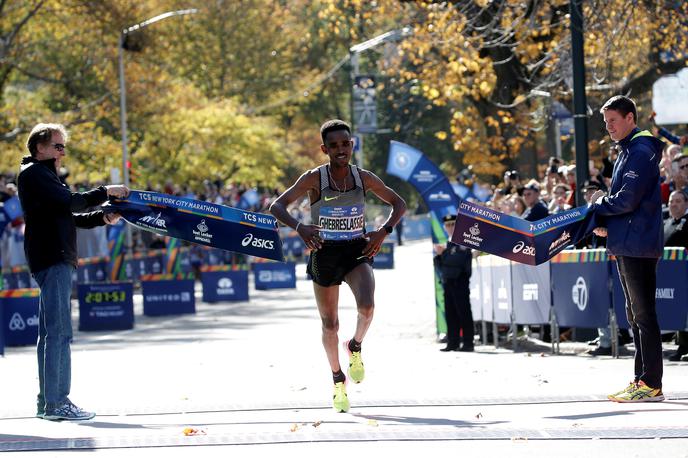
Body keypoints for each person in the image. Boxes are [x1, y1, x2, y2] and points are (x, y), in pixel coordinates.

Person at [269, 119, 406, 413]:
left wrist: (383, 231)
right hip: (325, 252)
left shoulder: (363, 178)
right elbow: (276, 206)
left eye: (345, 144)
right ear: (324, 149)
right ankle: (337, 379)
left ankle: (355, 346)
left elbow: (399, 203)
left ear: (351, 145)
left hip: (356, 249)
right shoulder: (313, 179)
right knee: (330, 324)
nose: (341, 150)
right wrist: (299, 227)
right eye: (334, 146)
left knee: (367, 307)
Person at [17, 123, 129, 421]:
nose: (62, 151)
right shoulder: (35, 174)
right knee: (59, 333)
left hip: (52, 256)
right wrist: (105, 191)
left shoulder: (43, 176)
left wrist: (102, 218)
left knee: (51, 333)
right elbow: (70, 202)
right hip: (52, 257)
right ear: (39, 147)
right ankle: (57, 403)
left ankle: (48, 403)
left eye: (63, 146)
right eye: (57, 145)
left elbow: (68, 215)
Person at [590, 96, 665, 402]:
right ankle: (641, 380)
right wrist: (610, 226)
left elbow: (627, 199)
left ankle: (650, 383)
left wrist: (598, 205)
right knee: (635, 315)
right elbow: (630, 204)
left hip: (639, 245)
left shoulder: (640, 150)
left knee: (643, 314)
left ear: (631, 118)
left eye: (613, 121)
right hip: (629, 241)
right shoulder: (627, 150)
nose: (609, 127)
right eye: (606, 122)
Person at [434, 214, 474, 352]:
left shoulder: (463, 241)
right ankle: (453, 342)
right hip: (448, 281)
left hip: (459, 281)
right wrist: (440, 255)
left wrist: (443, 253)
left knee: (463, 312)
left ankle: (468, 342)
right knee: (451, 313)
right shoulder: (449, 241)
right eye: (448, 225)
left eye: (453, 224)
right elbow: (441, 264)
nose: (450, 227)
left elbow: (458, 261)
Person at [663, 190, 688, 362]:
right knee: (679, 312)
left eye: (678, 201)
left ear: (686, 203)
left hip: (685, 273)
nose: (674, 204)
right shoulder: (666, 223)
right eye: (672, 201)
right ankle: (683, 346)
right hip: (671, 275)